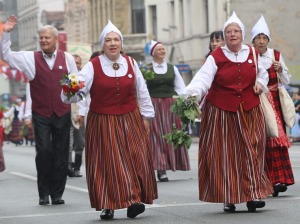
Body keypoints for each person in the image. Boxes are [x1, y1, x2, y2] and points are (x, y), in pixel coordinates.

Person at [61, 20, 158, 220]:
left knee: (135, 158)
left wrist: (147, 116)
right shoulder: (92, 66)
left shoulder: (130, 63)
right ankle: (108, 204)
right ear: (102, 45)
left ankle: (134, 201)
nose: (113, 43)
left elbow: (141, 90)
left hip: (130, 118)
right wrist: (70, 88)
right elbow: (78, 92)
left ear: (121, 43)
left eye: (116, 40)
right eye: (108, 40)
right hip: (103, 120)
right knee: (108, 163)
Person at [183, 11, 273, 213]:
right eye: (229, 32)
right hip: (222, 113)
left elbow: (263, 73)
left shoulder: (252, 53)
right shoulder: (216, 57)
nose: (233, 35)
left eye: (236, 31)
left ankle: (253, 194)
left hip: (249, 110)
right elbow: (202, 80)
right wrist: (190, 95)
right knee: (226, 155)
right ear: (225, 36)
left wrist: (260, 83)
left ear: (242, 34)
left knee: (252, 151)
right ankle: (228, 196)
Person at [1, 15, 78, 205]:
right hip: (41, 113)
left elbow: (75, 84)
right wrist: (6, 33)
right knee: (44, 151)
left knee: (61, 154)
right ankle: (44, 193)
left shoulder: (67, 58)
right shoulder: (30, 58)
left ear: (55, 39)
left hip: (62, 112)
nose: (43, 40)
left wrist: (78, 109)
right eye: (41, 38)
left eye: (47, 37)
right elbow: (6, 55)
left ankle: (57, 193)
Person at [251, 15, 294, 197]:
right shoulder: (248, 54)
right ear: (253, 40)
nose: (261, 41)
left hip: (274, 101)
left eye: (264, 38)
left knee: (277, 139)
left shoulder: (276, 55)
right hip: (257, 101)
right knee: (260, 141)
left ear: (268, 39)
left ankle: (279, 179)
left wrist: (280, 70)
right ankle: (265, 180)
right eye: (258, 38)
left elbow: (286, 80)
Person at [146, 40, 190, 182]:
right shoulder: (146, 69)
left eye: (163, 49)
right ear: (153, 53)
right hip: (153, 106)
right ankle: (161, 168)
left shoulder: (173, 68)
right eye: (159, 49)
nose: (162, 51)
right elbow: (142, 89)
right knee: (156, 136)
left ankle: (170, 163)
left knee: (170, 135)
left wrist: (186, 103)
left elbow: (180, 87)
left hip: (170, 106)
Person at [68, 54, 85, 177]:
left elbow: (86, 97)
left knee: (79, 142)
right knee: (68, 141)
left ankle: (77, 167)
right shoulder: (66, 78)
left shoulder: (85, 76)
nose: (75, 65)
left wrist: (82, 112)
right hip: (67, 112)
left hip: (81, 112)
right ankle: (68, 166)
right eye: (73, 62)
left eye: (77, 63)